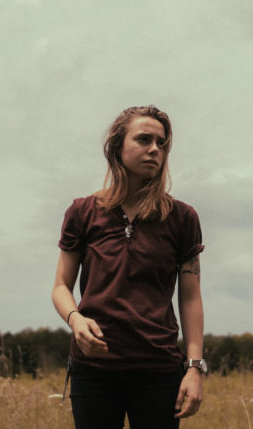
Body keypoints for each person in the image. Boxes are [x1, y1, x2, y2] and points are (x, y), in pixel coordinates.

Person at [52, 105, 207, 428]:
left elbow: (190, 297)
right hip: (94, 370)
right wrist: (75, 320)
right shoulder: (83, 212)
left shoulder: (182, 218)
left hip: (159, 371)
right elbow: (61, 287)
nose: (155, 149)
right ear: (117, 147)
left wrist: (194, 367)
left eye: (162, 143)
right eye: (144, 139)